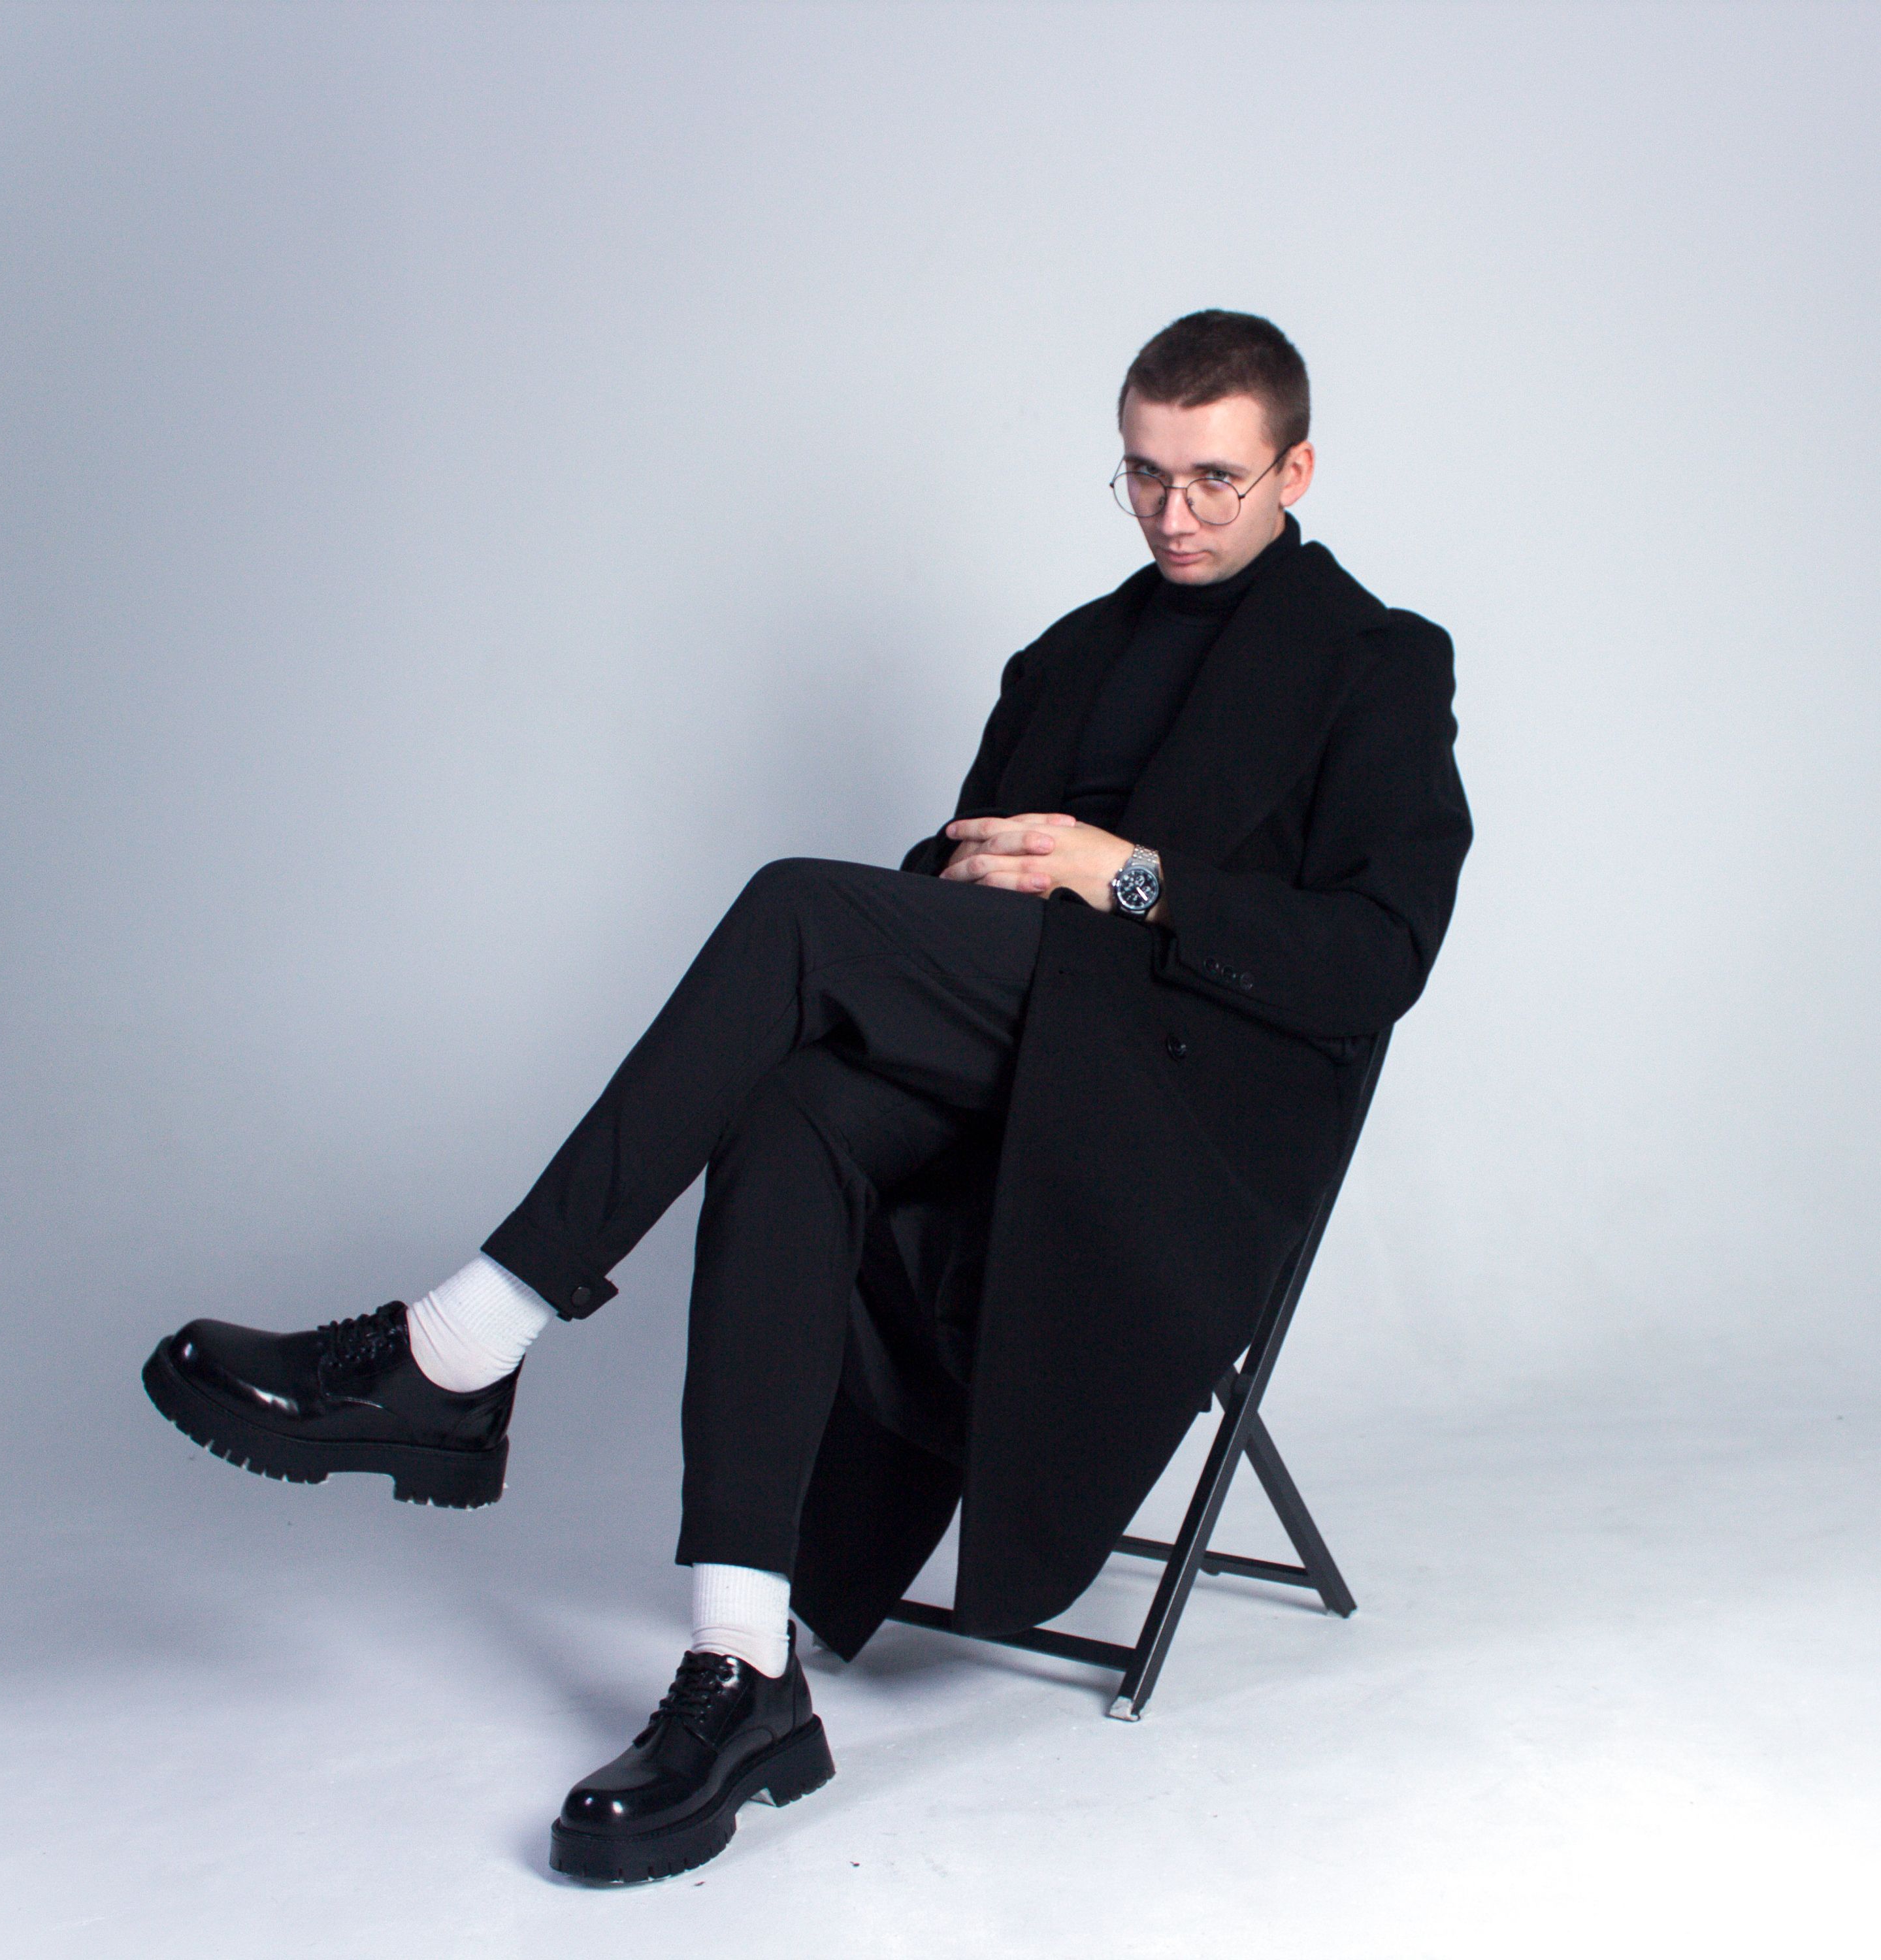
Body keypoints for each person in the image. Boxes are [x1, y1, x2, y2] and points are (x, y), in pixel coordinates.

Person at [141, 310, 1473, 1884]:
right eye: (1142, 477)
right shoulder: (1068, 657)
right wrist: (972, 877)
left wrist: (1125, 877)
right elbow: (934, 886)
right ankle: (740, 1669)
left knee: (796, 907)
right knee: (792, 1119)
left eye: (1215, 482)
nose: (1173, 515)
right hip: (1032, 1050)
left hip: (1180, 1111)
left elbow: (1378, 957)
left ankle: (460, 1345)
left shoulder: (1380, 663)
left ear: (1295, 470)